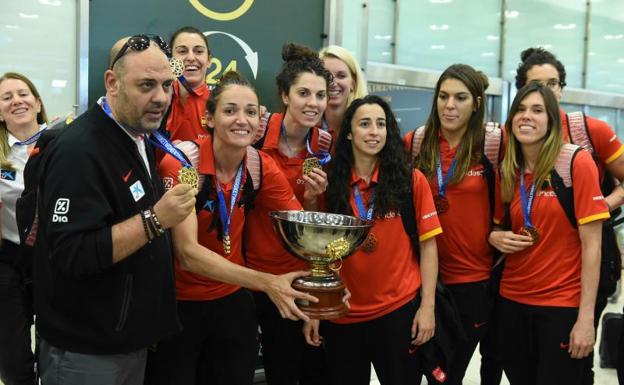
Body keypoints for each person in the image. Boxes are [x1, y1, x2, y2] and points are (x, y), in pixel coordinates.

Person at [33, 35, 197, 385]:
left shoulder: (136, 133)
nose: (161, 98)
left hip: (125, 341)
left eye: (167, 85)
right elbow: (72, 252)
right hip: (86, 350)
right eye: (147, 85)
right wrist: (156, 220)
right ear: (112, 83)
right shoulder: (78, 151)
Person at [146, 70, 319, 385]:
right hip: (179, 304)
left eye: (251, 112)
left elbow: (300, 226)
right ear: (209, 119)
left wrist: (330, 275)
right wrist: (267, 282)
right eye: (230, 110)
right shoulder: (182, 164)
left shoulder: (260, 165)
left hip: (231, 302)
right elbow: (187, 253)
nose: (243, 120)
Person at [304, 95, 441, 384]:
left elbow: (429, 247)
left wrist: (427, 308)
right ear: (350, 133)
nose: (374, 131)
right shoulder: (330, 183)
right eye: (365, 124)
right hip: (342, 314)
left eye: (381, 124)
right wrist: (317, 308)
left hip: (397, 312)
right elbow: (319, 251)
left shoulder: (410, 180)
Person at [515, 47, 624, 385]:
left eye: (553, 83)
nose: (547, 92)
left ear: (562, 87)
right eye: (537, 85)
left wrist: (602, 204)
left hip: (587, 265)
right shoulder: (515, 138)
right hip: (529, 278)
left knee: (577, 360)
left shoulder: (590, 131)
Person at [489, 81, 608, 385]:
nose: (527, 116)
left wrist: (585, 320)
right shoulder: (509, 169)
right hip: (512, 303)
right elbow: (497, 226)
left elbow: (593, 247)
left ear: (552, 120)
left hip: (560, 306)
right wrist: (494, 236)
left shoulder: (574, 162)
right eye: (521, 110)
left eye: (537, 110)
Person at [244, 43, 331, 385]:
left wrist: (312, 199)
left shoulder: (324, 146)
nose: (313, 103)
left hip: (294, 277)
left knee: (288, 368)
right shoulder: (255, 133)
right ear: (284, 95)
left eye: (320, 95)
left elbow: (316, 224)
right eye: (304, 93)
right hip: (246, 274)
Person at [408, 64, 500, 385]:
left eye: (460, 98)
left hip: (472, 282)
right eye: (443, 96)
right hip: (419, 279)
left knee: (447, 375)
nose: (450, 105)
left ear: (476, 103)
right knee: (417, 369)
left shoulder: (493, 145)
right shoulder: (416, 144)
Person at [0, 72, 49, 385]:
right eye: (7, 97)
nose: (16, 100)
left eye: (23, 93)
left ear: (38, 102)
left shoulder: (62, 142)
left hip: (53, 259)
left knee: (55, 351)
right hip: (8, 260)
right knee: (13, 360)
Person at [162, 26, 212, 142]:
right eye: (182, 51)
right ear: (170, 60)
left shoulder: (219, 105)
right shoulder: (157, 99)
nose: (190, 57)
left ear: (209, 60)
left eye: (199, 51)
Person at [319, 45, 367, 138]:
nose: (332, 82)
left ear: (354, 83)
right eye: (326, 76)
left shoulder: (368, 128)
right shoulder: (305, 127)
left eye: (341, 76)